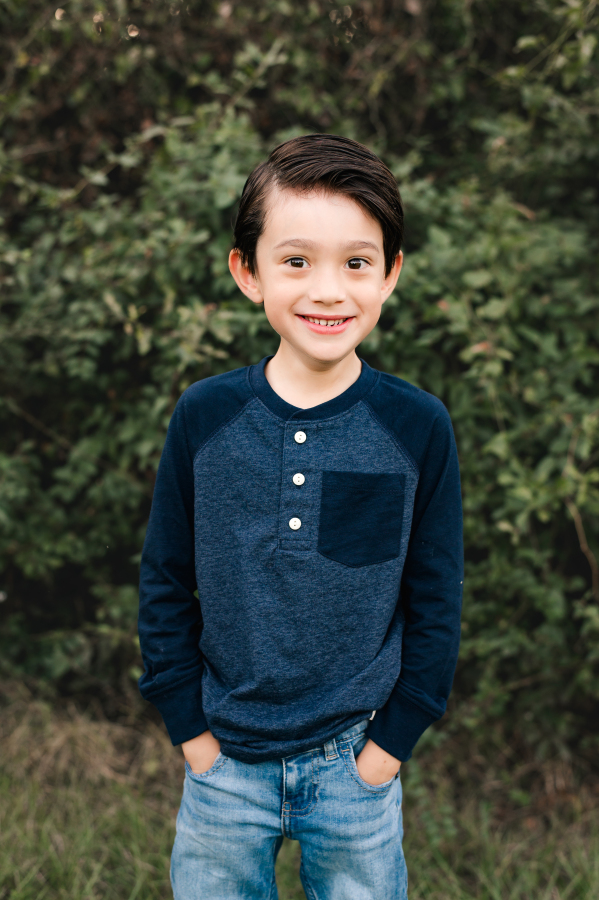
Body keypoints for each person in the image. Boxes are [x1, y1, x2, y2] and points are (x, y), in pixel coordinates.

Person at [137, 133, 463, 900]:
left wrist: (388, 748)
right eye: (295, 261)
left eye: (356, 262)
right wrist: (192, 734)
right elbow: (164, 579)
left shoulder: (416, 426)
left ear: (390, 275)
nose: (328, 290)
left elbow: (435, 598)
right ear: (246, 273)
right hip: (224, 766)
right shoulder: (205, 416)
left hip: (355, 764)